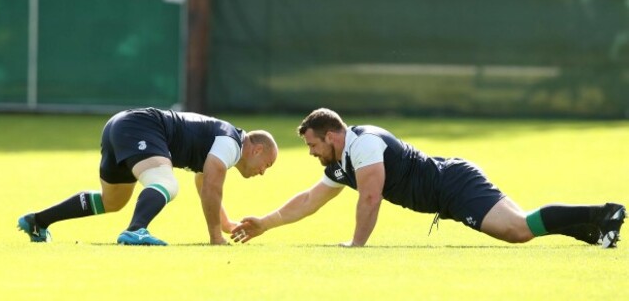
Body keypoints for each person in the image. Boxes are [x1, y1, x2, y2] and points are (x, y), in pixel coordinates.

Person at [231, 108, 625, 248]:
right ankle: (591, 227)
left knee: (518, 230)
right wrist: (265, 223)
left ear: (332, 136)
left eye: (314, 145)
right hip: (448, 191)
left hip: (453, 184)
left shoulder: (364, 144)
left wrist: (355, 244)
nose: (313, 153)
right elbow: (308, 200)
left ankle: (602, 213)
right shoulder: (341, 160)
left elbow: (370, 198)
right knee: (518, 227)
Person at [18, 107, 278, 246]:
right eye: (266, 164)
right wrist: (216, 238)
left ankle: (38, 222)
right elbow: (211, 185)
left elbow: (202, 183)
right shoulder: (232, 143)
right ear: (255, 149)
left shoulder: (224, 141)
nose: (263, 172)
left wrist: (226, 224)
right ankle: (135, 230)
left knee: (113, 202)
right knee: (166, 183)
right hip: (141, 126)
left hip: (120, 126)